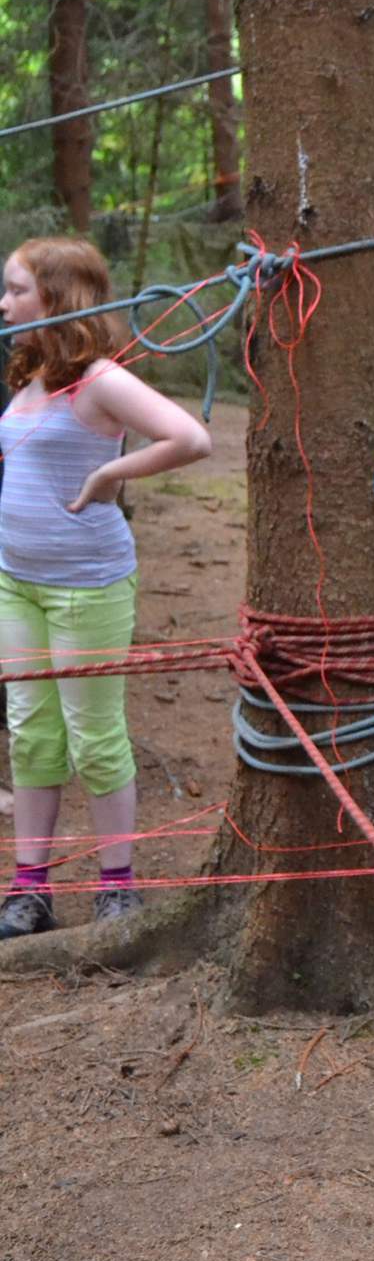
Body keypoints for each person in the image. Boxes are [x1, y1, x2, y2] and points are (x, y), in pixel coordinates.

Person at [0, 236, 212, 938]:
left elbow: (189, 437)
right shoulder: (29, 376)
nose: (4, 303)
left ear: (58, 296)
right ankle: (30, 890)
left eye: (16, 289)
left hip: (86, 587)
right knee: (32, 736)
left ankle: (118, 887)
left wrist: (109, 476)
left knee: (94, 737)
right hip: (16, 583)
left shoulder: (99, 381)